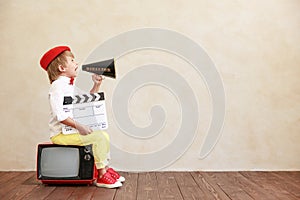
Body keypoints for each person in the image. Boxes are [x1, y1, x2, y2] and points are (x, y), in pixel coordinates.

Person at [40, 46, 125, 188]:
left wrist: (97, 84)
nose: (76, 63)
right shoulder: (57, 87)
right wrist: (79, 126)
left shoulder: (69, 86)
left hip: (71, 132)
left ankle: (104, 168)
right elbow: (60, 115)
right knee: (99, 137)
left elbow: (87, 100)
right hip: (61, 135)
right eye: (72, 60)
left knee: (103, 136)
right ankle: (102, 175)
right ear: (61, 68)